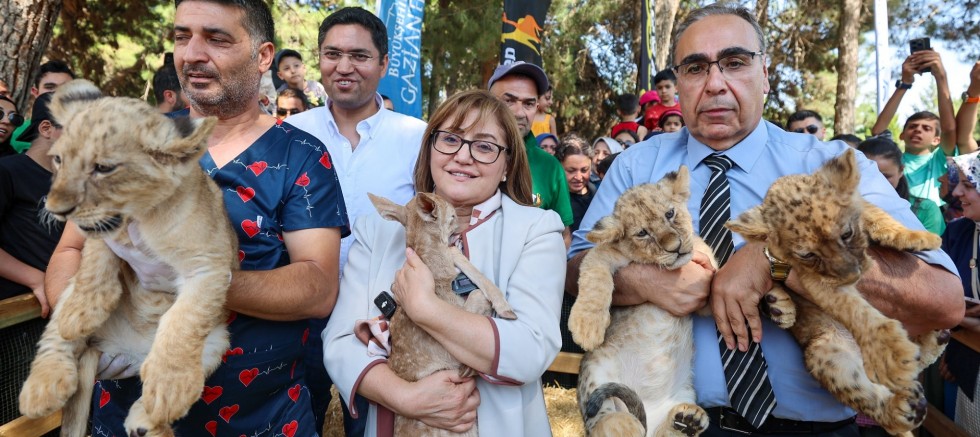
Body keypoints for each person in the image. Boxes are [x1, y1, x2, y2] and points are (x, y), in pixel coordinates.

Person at [567, 4, 963, 435]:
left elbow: (942, 302)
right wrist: (644, 281)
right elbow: (575, 271)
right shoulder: (635, 166)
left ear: (766, 74)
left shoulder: (831, 166)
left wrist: (777, 257)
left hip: (812, 426)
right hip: (668, 419)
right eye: (696, 68)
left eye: (735, 63)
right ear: (678, 82)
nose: (715, 83)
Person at [44, 1, 349, 436]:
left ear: (263, 56)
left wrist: (197, 279)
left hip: (260, 419)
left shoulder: (300, 155)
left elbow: (318, 287)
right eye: (182, 37)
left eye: (217, 38)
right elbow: (70, 250)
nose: (191, 54)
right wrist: (76, 331)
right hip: (126, 418)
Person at [323, 89, 565, 436]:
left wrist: (425, 309)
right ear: (430, 149)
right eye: (450, 139)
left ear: (506, 165)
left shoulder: (536, 230)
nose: (463, 156)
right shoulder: (378, 231)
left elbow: (530, 348)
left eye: (484, 146)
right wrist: (407, 398)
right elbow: (340, 341)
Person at [287, 7, 428, 434]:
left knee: (372, 425)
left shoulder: (417, 138)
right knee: (296, 420)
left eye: (360, 56)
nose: (344, 67)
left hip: (382, 318)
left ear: (383, 64)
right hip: (299, 313)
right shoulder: (289, 134)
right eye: (333, 54)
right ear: (319, 59)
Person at [870, 49, 971, 210]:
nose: (918, 131)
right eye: (912, 126)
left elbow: (949, 128)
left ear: (937, 140)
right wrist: (904, 83)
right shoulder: (891, 158)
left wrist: (940, 76)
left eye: (926, 128)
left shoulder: (939, 159)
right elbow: (877, 131)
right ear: (902, 135)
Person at [487, 61, 574, 245]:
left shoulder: (550, 167)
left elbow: (564, 235)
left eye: (529, 103)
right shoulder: (462, 156)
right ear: (488, 101)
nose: (519, 112)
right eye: (508, 100)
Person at [0, 93, 62, 315]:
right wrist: (35, 279)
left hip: (58, 308)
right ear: (46, 129)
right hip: (15, 310)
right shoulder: (8, 170)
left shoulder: (75, 181)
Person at [939, 152, 980, 436]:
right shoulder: (959, 231)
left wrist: (956, 314)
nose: (956, 192)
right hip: (964, 364)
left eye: (969, 185)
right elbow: (938, 295)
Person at [858, 137, 944, 236]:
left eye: (886, 176)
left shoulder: (926, 209)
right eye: (868, 175)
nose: (877, 182)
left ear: (901, 171)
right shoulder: (842, 208)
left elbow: (928, 246)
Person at [12, 60, 77, 152]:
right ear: (36, 92)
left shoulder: (92, 131)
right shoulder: (14, 134)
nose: (58, 93)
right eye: (50, 87)